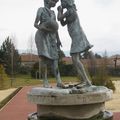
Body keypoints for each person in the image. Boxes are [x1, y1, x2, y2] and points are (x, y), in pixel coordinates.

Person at [57, 0, 93, 86]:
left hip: (78, 36)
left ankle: (86, 81)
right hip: (75, 37)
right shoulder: (69, 12)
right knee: (74, 59)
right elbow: (62, 23)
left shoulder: (71, 11)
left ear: (67, 2)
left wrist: (59, 11)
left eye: (63, 2)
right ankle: (85, 80)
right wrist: (61, 11)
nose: (61, 4)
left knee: (75, 59)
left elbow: (59, 18)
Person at [34, 0, 64, 88]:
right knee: (44, 59)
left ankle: (59, 81)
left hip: (52, 38)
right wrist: (42, 28)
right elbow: (35, 24)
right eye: (53, 0)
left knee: (55, 60)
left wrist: (58, 40)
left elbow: (55, 29)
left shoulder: (53, 13)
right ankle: (45, 81)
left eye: (56, 1)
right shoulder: (41, 10)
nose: (55, 2)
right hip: (42, 36)